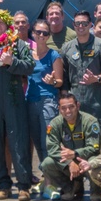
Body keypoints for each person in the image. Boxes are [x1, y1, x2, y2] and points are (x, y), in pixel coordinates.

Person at [0, 8, 35, 200]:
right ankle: (2, 184)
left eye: (0, 23)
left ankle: (24, 185)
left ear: (6, 25)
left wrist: (13, 62)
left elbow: (30, 66)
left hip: (14, 99)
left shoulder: (18, 44)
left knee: (18, 141)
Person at [40, 91, 101, 201]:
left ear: (77, 106)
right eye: (64, 108)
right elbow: (52, 148)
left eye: (71, 107)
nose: (68, 111)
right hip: (68, 161)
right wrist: (70, 162)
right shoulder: (55, 123)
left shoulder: (90, 121)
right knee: (47, 163)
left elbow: (94, 147)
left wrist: (75, 154)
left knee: (94, 160)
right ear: (59, 109)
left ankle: (95, 191)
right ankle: (70, 188)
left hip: (85, 159)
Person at [26, 19, 63, 174]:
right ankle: (46, 174)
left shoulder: (53, 55)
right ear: (33, 33)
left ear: (48, 36)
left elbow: (60, 82)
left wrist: (53, 81)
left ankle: (51, 179)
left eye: (45, 33)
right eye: (38, 32)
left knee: (47, 141)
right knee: (36, 140)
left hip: (48, 101)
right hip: (30, 101)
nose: (41, 35)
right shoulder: (28, 54)